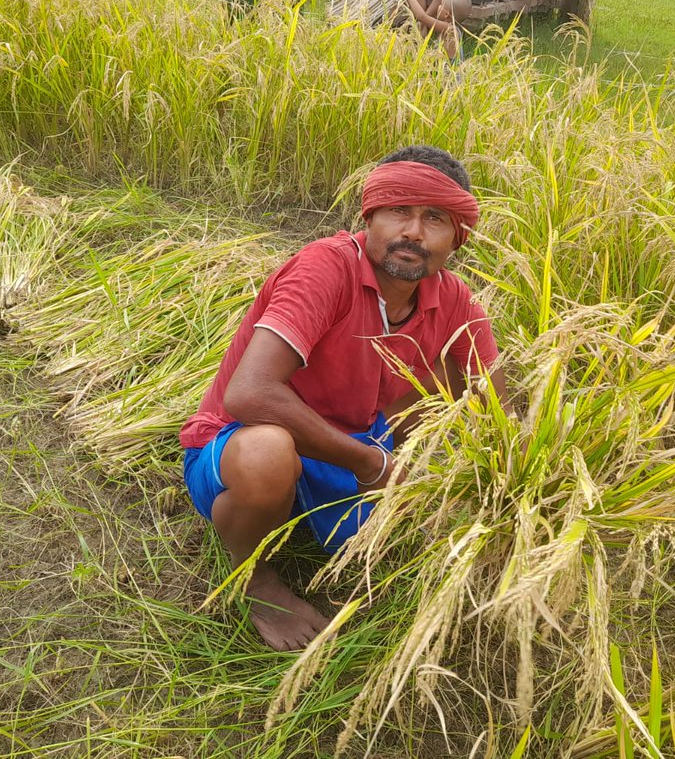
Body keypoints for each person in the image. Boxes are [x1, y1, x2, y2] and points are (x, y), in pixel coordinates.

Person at [179, 146, 505, 651]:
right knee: (268, 454)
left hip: (352, 434)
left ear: (457, 238)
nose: (413, 232)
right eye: (399, 210)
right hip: (245, 442)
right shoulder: (325, 269)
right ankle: (257, 581)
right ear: (369, 216)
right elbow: (249, 395)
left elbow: (495, 413)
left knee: (452, 378)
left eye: (435, 218)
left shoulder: (458, 301)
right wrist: (371, 463)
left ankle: (328, 504)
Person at [395, 0, 472, 62]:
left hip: (448, 73)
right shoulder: (450, 28)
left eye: (441, 4)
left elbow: (422, 17)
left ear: (446, 14)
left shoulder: (450, 29)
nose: (439, 6)